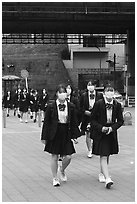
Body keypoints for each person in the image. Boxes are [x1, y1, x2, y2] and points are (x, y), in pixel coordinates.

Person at [41, 84, 80, 187]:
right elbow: (47, 122)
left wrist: (75, 135)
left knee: (68, 156)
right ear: (57, 94)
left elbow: (74, 121)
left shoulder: (71, 106)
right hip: (55, 132)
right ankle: (55, 178)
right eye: (60, 92)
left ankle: (62, 169)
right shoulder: (51, 106)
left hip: (66, 131)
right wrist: (44, 137)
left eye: (64, 92)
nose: (62, 94)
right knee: (54, 155)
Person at [91, 86, 124, 189]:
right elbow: (92, 120)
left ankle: (102, 173)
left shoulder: (117, 105)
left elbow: (120, 121)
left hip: (111, 132)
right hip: (101, 131)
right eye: (108, 92)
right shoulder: (98, 104)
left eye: (112, 92)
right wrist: (101, 128)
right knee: (103, 155)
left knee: (107, 153)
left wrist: (112, 128)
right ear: (104, 94)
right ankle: (107, 178)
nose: (110, 95)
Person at [80, 80, 103, 158]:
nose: (90, 86)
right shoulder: (83, 96)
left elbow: (102, 106)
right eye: (88, 85)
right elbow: (80, 107)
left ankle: (95, 148)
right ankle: (89, 150)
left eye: (91, 85)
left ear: (95, 86)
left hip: (97, 117)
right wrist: (85, 111)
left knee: (96, 133)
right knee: (88, 133)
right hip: (87, 117)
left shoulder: (100, 95)